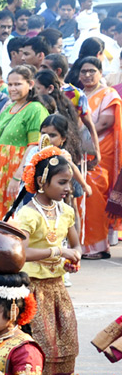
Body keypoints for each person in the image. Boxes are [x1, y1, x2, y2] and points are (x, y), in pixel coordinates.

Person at [14, 145, 81, 375]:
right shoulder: (26, 214)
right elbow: (22, 253)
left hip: (57, 287)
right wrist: (58, 252)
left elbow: (76, 245)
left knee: (65, 343)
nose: (68, 188)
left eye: (69, 183)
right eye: (62, 182)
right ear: (42, 181)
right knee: (41, 345)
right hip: (33, 289)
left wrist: (73, 258)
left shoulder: (66, 211)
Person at [0, 65, 48, 220]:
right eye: (10, 85)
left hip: (16, 169)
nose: (12, 88)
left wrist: (18, 177)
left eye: (18, 84)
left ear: (30, 84)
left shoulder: (35, 109)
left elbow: (33, 146)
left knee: (13, 214)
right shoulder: (9, 108)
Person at [81, 57, 121, 258]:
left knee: (95, 197)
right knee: (81, 198)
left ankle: (98, 246)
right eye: (83, 71)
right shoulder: (77, 95)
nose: (87, 75)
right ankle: (81, 245)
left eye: (92, 71)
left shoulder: (108, 94)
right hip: (79, 153)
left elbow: (106, 122)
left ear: (100, 72)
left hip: (100, 153)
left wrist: (78, 136)